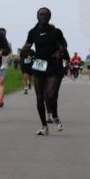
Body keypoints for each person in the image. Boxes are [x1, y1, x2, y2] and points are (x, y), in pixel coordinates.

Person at [21, 7, 68, 135]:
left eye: (46, 14)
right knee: (39, 97)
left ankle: (55, 116)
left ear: (49, 17)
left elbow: (64, 44)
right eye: (41, 14)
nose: (43, 16)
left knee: (51, 95)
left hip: (54, 65)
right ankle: (44, 126)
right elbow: (27, 45)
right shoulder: (33, 32)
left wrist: (60, 51)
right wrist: (25, 52)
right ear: (37, 16)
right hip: (39, 65)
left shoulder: (56, 31)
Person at [0, 28, 11, 107]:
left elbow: (11, 55)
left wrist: (9, 60)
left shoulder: (8, 44)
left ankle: (0, 100)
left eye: (4, 34)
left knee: (1, 83)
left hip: (4, 66)